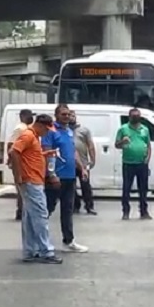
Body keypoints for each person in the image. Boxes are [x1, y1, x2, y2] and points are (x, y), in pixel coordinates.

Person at [10, 114, 62, 264]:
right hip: (31, 181)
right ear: (39, 125)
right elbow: (14, 152)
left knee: (30, 217)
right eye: (46, 128)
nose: (47, 132)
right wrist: (18, 175)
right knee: (40, 215)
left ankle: (30, 250)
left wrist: (45, 154)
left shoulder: (33, 137)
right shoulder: (28, 136)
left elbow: (28, 155)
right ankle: (46, 250)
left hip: (33, 180)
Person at [42, 104, 89, 253]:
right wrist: (51, 174)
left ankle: (69, 241)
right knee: (47, 210)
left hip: (70, 176)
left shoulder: (69, 131)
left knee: (67, 210)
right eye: (63, 114)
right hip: (56, 177)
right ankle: (40, 241)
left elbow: (73, 152)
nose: (66, 117)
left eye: (68, 114)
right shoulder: (51, 131)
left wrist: (81, 168)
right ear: (56, 116)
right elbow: (47, 153)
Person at [114, 107, 152, 220]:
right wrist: (122, 141)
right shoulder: (123, 129)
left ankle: (144, 211)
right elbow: (116, 145)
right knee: (126, 188)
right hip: (128, 163)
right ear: (129, 117)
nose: (136, 118)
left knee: (143, 189)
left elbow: (148, 145)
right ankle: (125, 211)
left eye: (138, 116)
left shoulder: (145, 129)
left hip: (142, 163)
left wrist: (147, 159)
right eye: (133, 116)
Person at [70, 111, 97, 215]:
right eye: (69, 115)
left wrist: (93, 159)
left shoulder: (83, 130)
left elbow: (90, 145)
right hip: (70, 163)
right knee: (71, 186)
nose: (71, 118)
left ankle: (89, 206)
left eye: (73, 116)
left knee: (85, 185)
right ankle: (75, 205)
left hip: (83, 163)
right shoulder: (64, 130)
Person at [9, 109, 34, 220]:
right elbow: (11, 146)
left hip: (25, 162)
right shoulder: (20, 129)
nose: (31, 118)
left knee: (24, 188)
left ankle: (23, 211)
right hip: (20, 162)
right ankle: (21, 211)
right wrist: (12, 161)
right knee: (22, 188)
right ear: (23, 116)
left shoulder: (27, 128)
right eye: (29, 115)